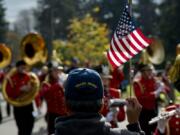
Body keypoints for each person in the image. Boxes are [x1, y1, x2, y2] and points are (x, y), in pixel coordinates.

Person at [55, 68, 144, 135]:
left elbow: (121, 117)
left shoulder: (114, 92)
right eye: (104, 79)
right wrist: (134, 125)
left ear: (65, 104)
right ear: (102, 104)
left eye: (107, 79)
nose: (106, 81)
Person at [133, 64, 166, 135]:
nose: (151, 72)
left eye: (151, 70)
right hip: (143, 112)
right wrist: (155, 93)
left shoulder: (154, 80)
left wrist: (162, 87)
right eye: (149, 70)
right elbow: (140, 97)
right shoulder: (137, 83)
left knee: (156, 131)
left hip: (153, 110)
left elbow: (165, 91)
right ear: (142, 71)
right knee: (145, 132)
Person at [5, 60, 35, 135]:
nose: (24, 69)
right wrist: (20, 89)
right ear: (17, 68)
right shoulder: (11, 78)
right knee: (22, 129)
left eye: (25, 67)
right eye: (22, 67)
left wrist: (30, 88)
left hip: (28, 106)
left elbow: (34, 89)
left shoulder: (29, 76)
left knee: (30, 125)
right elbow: (9, 93)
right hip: (18, 107)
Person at [39, 61, 67, 135]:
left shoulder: (62, 81)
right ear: (50, 72)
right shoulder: (46, 83)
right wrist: (59, 85)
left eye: (58, 70)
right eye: (55, 70)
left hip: (64, 114)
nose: (58, 72)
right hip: (53, 115)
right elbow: (45, 94)